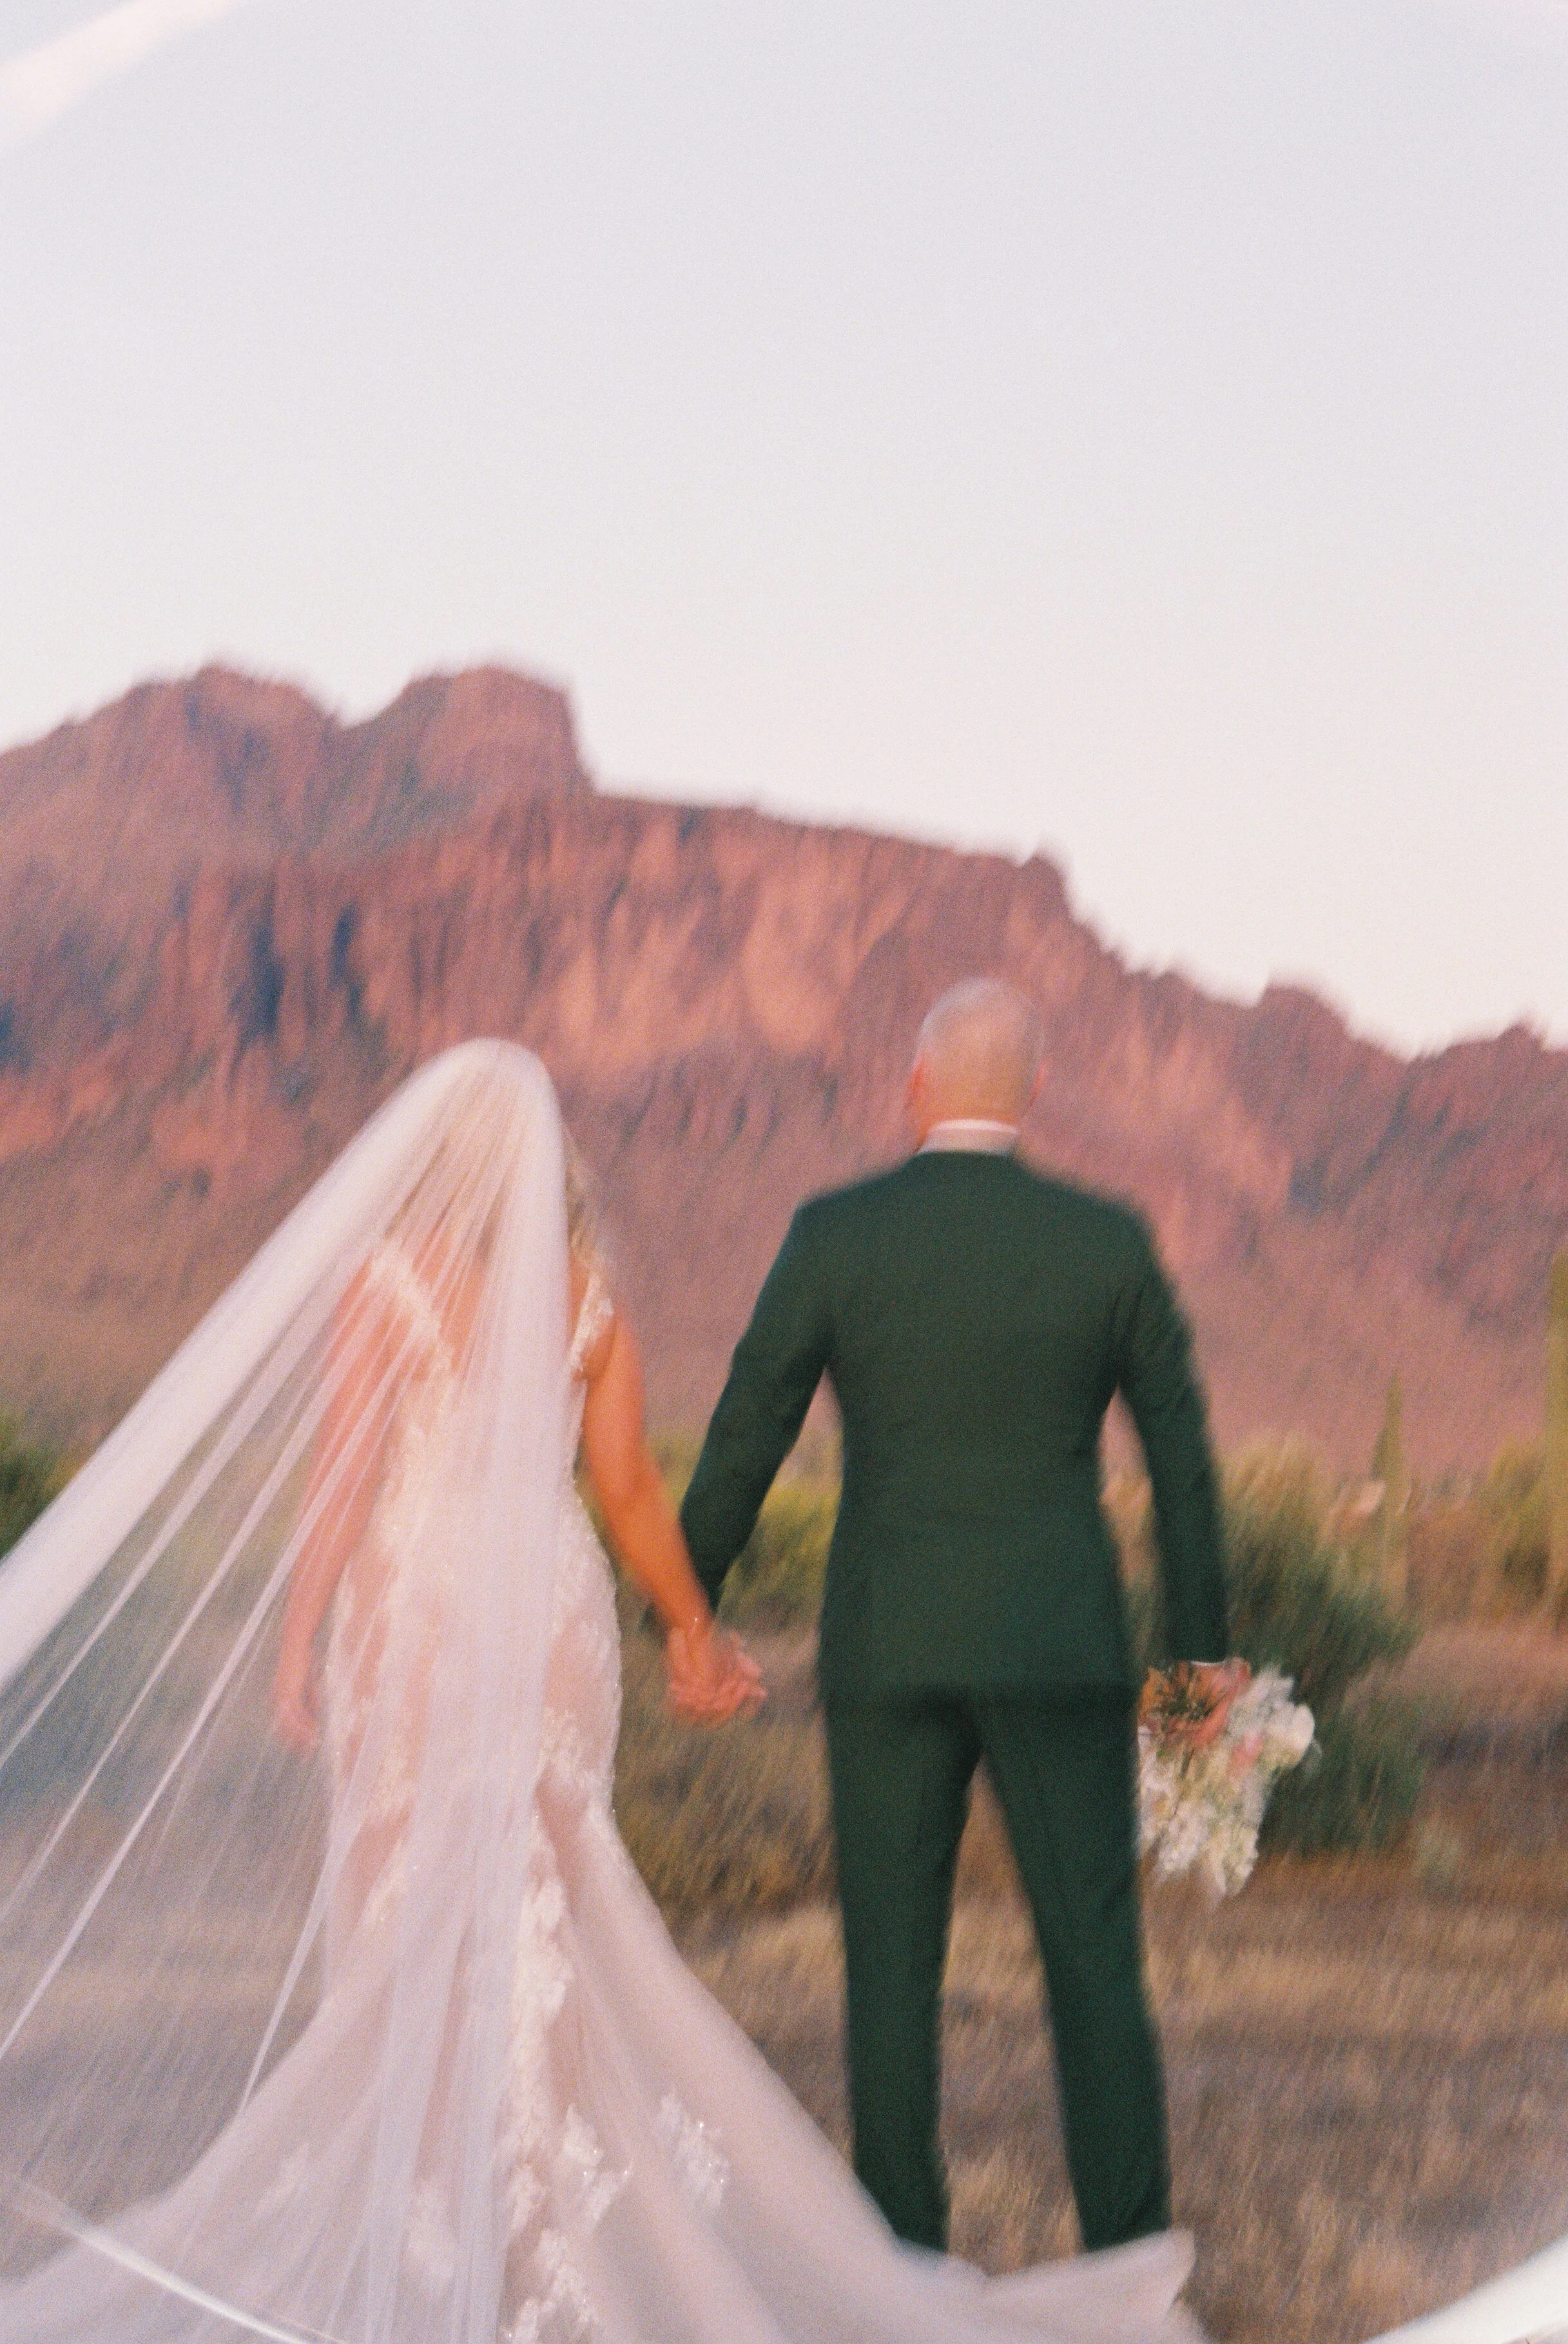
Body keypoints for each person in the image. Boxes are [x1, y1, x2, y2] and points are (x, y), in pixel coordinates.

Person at [0, 1038, 1203, 2343]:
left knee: (403, 1920)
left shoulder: (389, 1282)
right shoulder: (588, 1299)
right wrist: (691, 1628)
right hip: (553, 1613)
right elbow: (626, 1491)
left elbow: (344, 1479)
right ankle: (539, 2233)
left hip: (425, 1607)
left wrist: (295, 1642)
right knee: (550, 1915)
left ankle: (432, 2230)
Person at [681, 978, 1237, 2261]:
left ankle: (901, 2275)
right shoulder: (1107, 1241)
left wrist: (683, 1603)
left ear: (916, 1087)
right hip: (1060, 1646)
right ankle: (1131, 2266)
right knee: (1095, 1962)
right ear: (1033, 1095)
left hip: (889, 1645)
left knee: (889, 1974)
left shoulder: (836, 1232)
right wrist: (1199, 1657)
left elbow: (751, 1416)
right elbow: (1184, 1457)